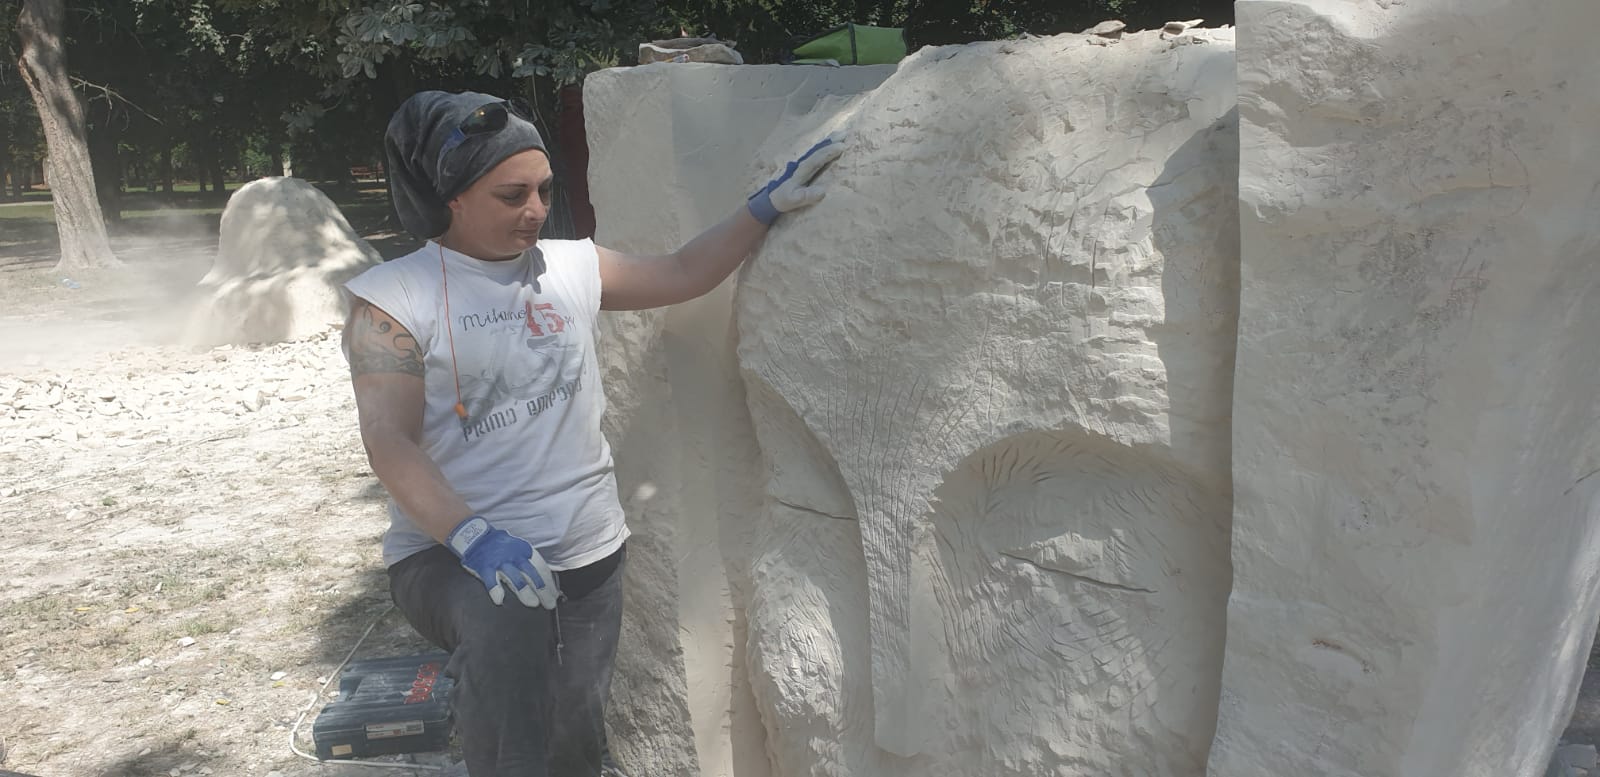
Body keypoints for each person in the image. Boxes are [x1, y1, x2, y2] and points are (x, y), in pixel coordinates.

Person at [340, 90, 843, 777]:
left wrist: (762, 209)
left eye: (544, 190)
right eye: (512, 195)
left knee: (574, 728)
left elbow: (682, 273)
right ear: (450, 197)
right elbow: (389, 440)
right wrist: (472, 535)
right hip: (456, 555)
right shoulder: (393, 299)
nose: (536, 209)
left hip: (587, 547)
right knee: (512, 706)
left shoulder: (571, 266)